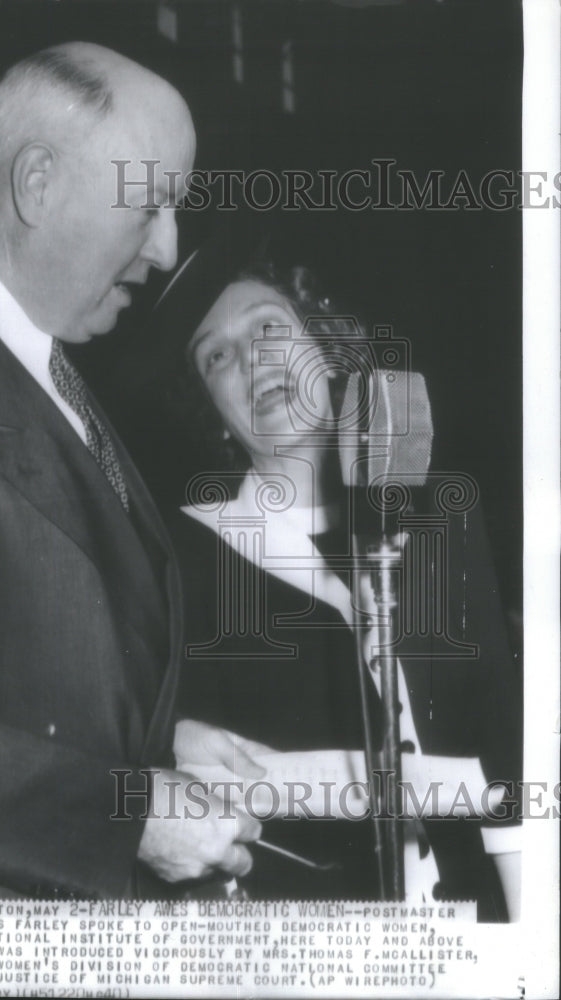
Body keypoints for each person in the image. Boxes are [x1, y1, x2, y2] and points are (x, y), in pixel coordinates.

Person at [0, 42, 265, 909]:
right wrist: (127, 809)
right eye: (152, 204)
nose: (166, 250)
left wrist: (152, 754)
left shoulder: (41, 368)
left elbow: (1, 676)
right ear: (37, 183)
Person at [157, 242, 522, 918]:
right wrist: (160, 739)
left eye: (268, 327)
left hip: (477, 919)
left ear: (321, 343)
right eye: (216, 356)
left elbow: (504, 732)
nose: (250, 360)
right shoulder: (177, 554)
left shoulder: (436, 510)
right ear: (211, 405)